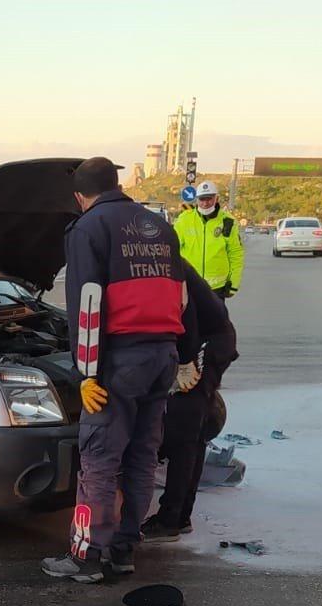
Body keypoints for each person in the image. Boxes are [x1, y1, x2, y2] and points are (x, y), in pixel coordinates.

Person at [41, 157, 186, 584]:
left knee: (100, 461)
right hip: (163, 356)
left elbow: (87, 305)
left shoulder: (90, 227)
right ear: (117, 184)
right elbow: (180, 299)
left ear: (79, 197)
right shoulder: (160, 226)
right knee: (141, 458)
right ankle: (122, 552)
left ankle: (86, 557)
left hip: (119, 361)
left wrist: (87, 374)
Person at [141, 265, 238, 540]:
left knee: (185, 428)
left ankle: (172, 518)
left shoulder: (163, 265)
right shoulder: (152, 255)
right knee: (190, 433)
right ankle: (179, 515)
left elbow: (187, 316)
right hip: (199, 336)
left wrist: (185, 362)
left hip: (205, 341)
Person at [174, 180, 244, 299]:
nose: (205, 203)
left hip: (217, 287)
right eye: (202, 199)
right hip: (190, 283)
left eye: (209, 199)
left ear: (216, 198)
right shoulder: (185, 219)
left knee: (215, 318)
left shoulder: (227, 222)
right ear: (197, 199)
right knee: (189, 318)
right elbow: (173, 249)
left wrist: (233, 283)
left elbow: (235, 253)